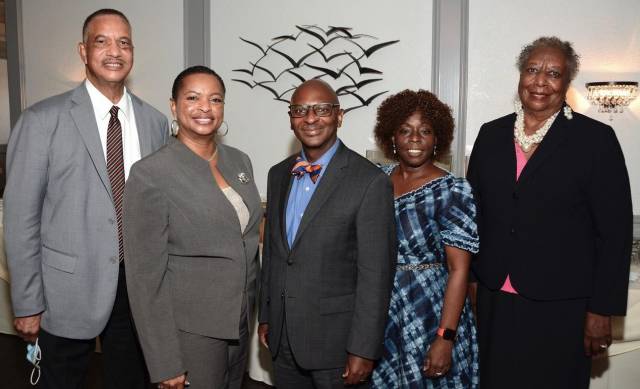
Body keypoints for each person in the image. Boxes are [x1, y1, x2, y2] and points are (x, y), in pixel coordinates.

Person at [4, 8, 168, 389]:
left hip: (136, 290)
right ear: (83, 50)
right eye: (102, 41)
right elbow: (20, 219)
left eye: (124, 42)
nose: (115, 51)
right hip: (65, 292)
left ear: (133, 51)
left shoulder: (155, 123)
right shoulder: (42, 120)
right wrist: (27, 303)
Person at [466, 36, 633, 389]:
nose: (540, 81)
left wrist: (602, 310)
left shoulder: (595, 141)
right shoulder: (490, 135)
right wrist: (472, 282)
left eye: (553, 73)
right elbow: (474, 218)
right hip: (495, 297)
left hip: (563, 305)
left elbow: (614, 232)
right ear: (520, 75)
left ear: (567, 82)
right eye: (532, 70)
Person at [123, 65, 262, 389]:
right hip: (190, 332)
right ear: (174, 105)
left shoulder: (239, 160)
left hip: (239, 320)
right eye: (193, 98)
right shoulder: (151, 174)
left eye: (215, 99)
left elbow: (246, 237)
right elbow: (145, 279)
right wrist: (164, 361)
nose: (205, 108)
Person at [257, 79, 396, 388]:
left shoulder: (369, 181)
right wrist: (267, 315)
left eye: (321, 109)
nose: (310, 118)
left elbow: (376, 274)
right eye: (300, 110)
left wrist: (363, 347)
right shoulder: (278, 174)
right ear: (291, 118)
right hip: (283, 338)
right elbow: (275, 254)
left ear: (339, 116)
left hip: (337, 344)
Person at [370, 90, 480, 388]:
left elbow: (459, 270)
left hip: (430, 308)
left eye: (425, 131)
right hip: (381, 309)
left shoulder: (453, 190)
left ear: (437, 139)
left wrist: (445, 337)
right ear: (392, 136)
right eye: (405, 130)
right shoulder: (376, 180)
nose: (415, 138)